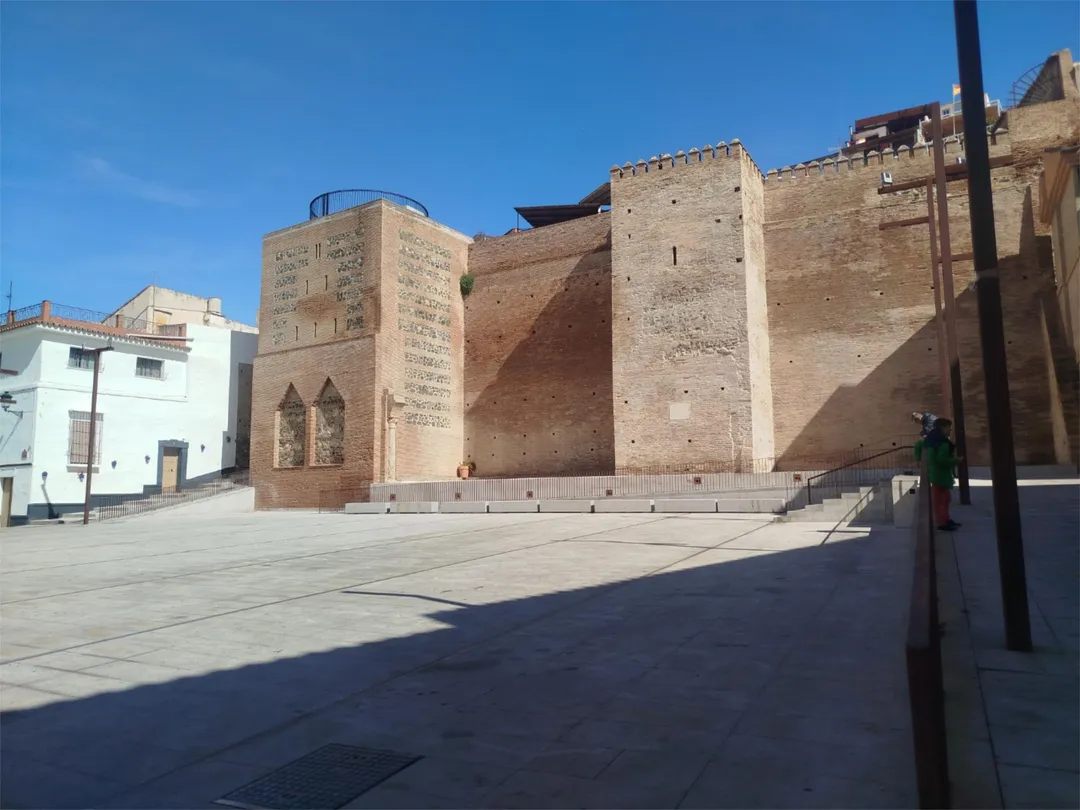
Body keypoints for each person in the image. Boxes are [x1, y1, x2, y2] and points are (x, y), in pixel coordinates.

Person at [914, 418, 961, 531]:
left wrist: (918, 460)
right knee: (943, 499)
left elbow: (918, 445)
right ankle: (942, 522)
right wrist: (956, 460)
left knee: (942, 499)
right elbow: (941, 460)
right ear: (943, 427)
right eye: (948, 427)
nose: (950, 429)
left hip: (935, 475)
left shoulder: (930, 439)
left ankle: (944, 519)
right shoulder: (943, 442)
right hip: (941, 475)